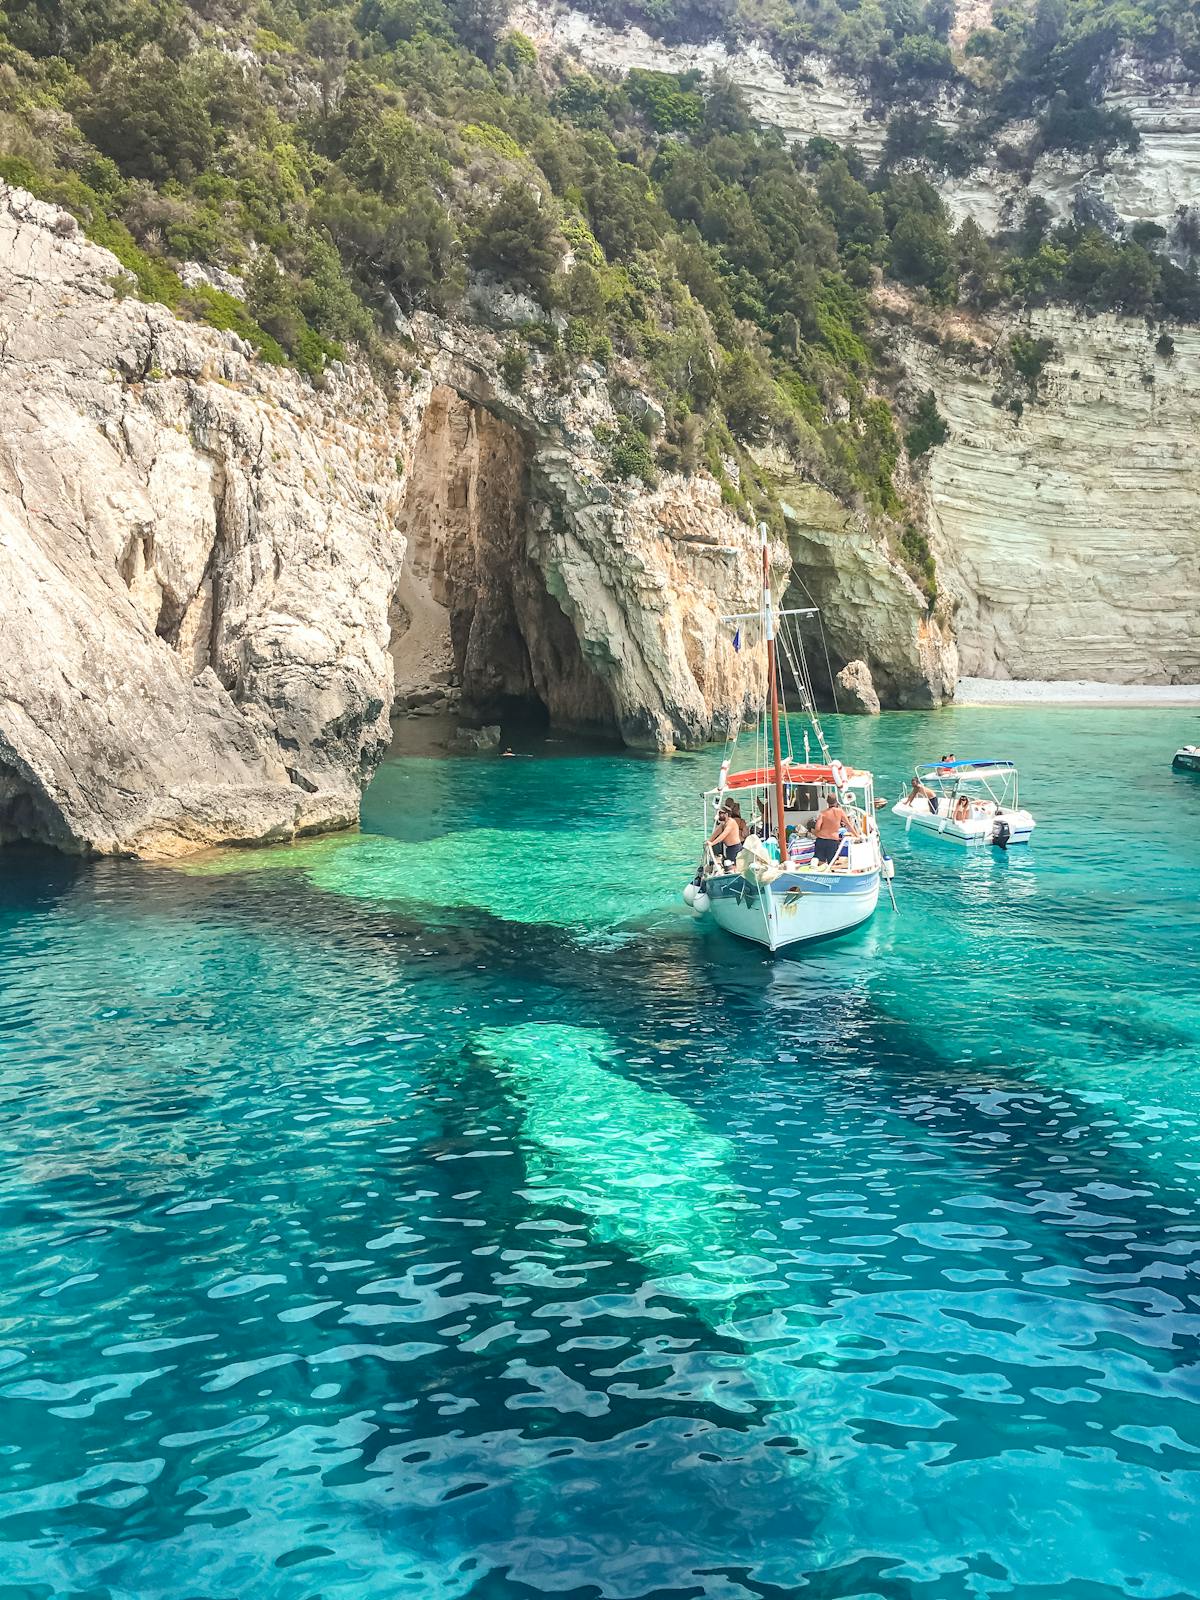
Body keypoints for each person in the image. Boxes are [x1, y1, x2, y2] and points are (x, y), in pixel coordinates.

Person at [812, 793, 855, 866]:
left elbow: (817, 828)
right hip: (832, 841)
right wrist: (856, 835)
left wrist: (814, 832)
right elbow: (848, 825)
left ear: (827, 802)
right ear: (836, 802)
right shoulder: (840, 812)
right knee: (831, 863)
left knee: (819, 862)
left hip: (821, 840)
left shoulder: (823, 813)